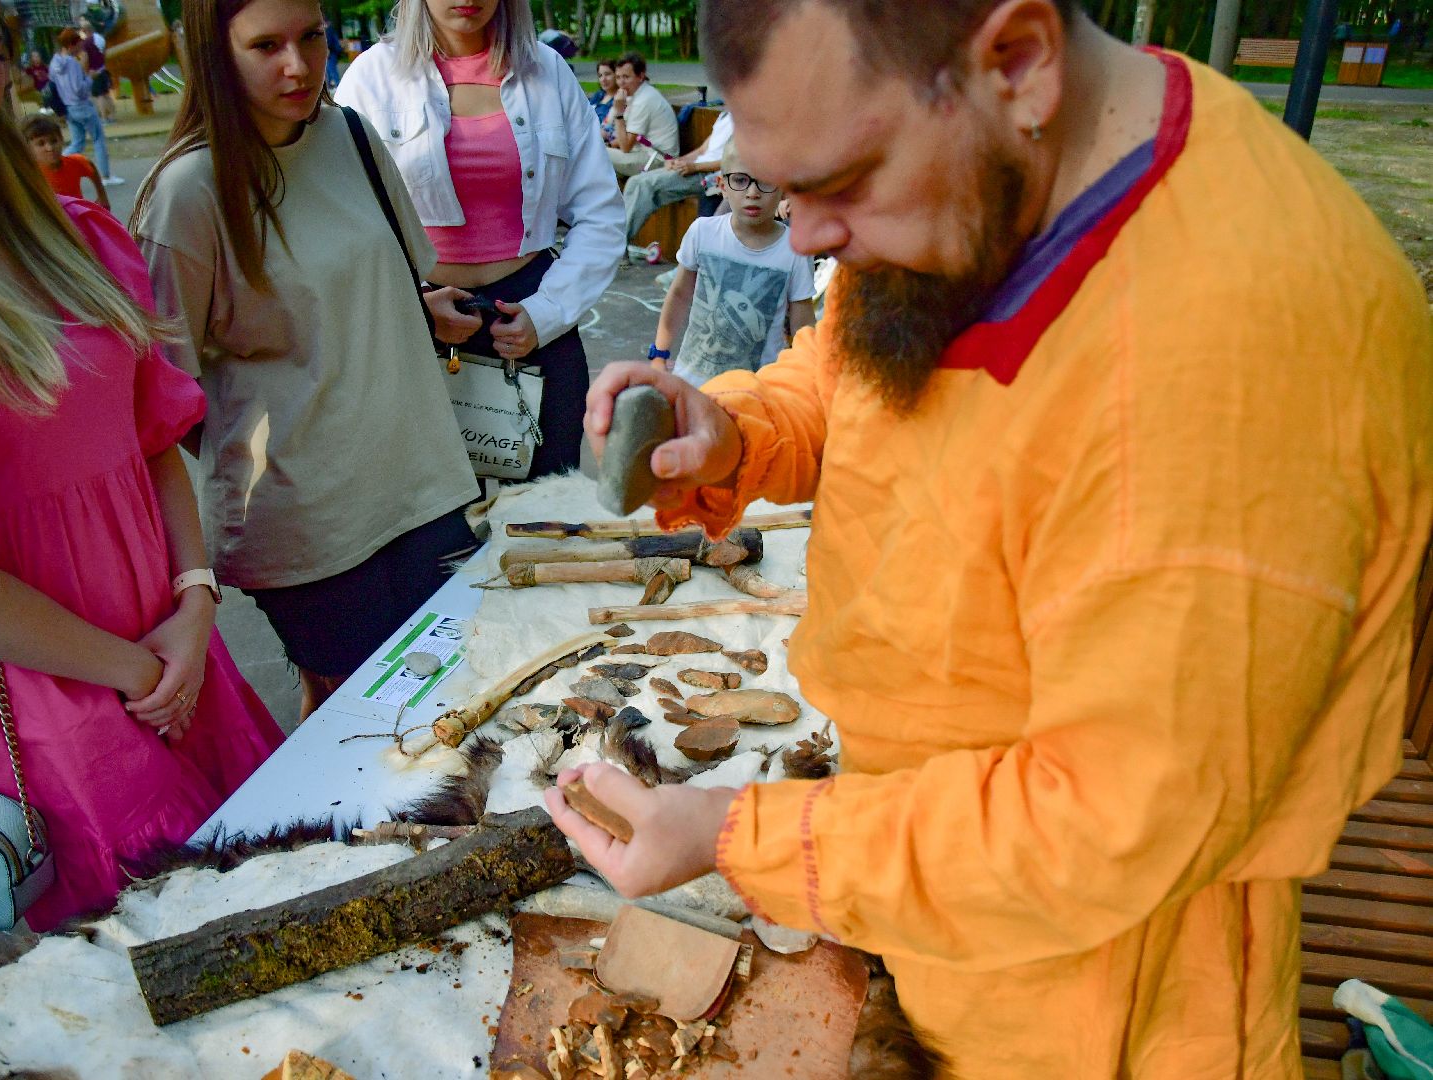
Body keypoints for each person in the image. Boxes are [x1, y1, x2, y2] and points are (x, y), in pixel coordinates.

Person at [549, 1, 1433, 1077]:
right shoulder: (999, 150)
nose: (811, 238)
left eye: (839, 184)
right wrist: (738, 433)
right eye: (787, 189)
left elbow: (1098, 828)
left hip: (1091, 1000)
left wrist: (740, 836)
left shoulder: (1237, 362)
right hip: (919, 877)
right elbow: (851, 365)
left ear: (1018, 58)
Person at [0, 0, 283, 946]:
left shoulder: (69, 231)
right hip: (37, 687)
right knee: (166, 951)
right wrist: (130, 667)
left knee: (276, 888)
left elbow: (150, 434)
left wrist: (194, 604)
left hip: (170, 645)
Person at [132, 0, 486, 721]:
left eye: (310, 38)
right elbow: (165, 395)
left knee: (462, 698)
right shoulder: (186, 195)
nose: (297, 65)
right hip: (307, 525)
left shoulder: (351, 136)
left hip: (421, 483)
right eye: (265, 45)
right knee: (376, 727)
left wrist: (419, 314)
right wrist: (272, 452)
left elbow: (388, 275)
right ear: (213, 53)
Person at [335, 0, 625, 480]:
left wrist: (547, 312)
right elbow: (344, 221)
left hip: (532, 320)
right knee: (425, 520)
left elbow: (600, 213)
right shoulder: (371, 78)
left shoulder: (548, 73)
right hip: (415, 325)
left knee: (540, 518)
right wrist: (413, 307)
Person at [651, 142, 814, 388]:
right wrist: (659, 355)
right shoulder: (702, 233)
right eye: (740, 180)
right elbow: (679, 294)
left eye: (765, 181)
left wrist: (803, 381)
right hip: (692, 383)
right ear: (722, 186)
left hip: (757, 392)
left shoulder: (795, 250)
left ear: (784, 191)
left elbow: (802, 326)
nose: (752, 193)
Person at [621, 108, 733, 241]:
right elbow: (702, 150)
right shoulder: (725, 115)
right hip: (694, 167)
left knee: (644, 186)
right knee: (635, 181)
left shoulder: (746, 122)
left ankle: (616, 246)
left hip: (711, 176)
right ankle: (616, 243)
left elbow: (735, 161)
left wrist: (695, 167)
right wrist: (679, 161)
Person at [49, 28, 121, 185]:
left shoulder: (54, 63)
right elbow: (78, 89)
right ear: (71, 45)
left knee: (77, 142)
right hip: (82, 106)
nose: (81, 49)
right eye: (78, 45)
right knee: (98, 139)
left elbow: (55, 85)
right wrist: (89, 77)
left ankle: (53, 166)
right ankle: (106, 176)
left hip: (68, 107)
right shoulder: (71, 63)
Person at [605, 51, 677, 177]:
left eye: (626, 77)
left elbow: (626, 147)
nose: (621, 83)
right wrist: (609, 144)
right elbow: (627, 137)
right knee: (600, 159)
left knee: (594, 153)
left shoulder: (644, 100)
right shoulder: (637, 94)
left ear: (640, 76)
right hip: (645, 154)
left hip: (658, 160)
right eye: (618, 77)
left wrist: (619, 113)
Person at [22, 113, 110, 208]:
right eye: (41, 144)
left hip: (77, 214)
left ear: (62, 140)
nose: (50, 148)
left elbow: (90, 167)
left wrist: (102, 196)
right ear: (28, 147)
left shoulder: (75, 162)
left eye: (54, 141)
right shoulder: (30, 172)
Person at [78, 14, 115, 121]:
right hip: (103, 69)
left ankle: (104, 117)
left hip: (94, 71)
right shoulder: (100, 38)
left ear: (85, 31)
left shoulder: (86, 43)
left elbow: (85, 58)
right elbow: (104, 53)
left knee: (99, 95)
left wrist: (84, 72)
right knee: (106, 94)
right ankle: (112, 115)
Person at [588, 56, 616, 127]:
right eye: (600, 75)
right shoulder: (599, 94)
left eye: (607, 74)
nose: (603, 79)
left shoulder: (619, 99)